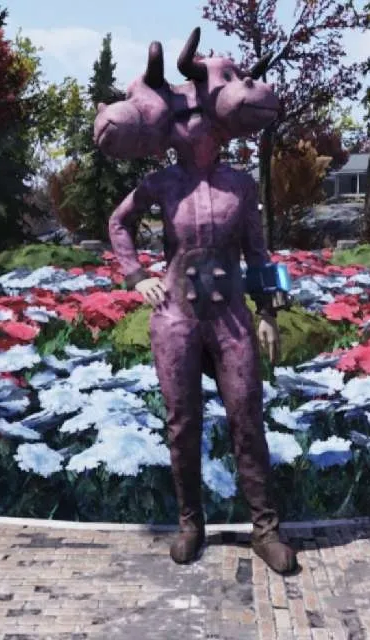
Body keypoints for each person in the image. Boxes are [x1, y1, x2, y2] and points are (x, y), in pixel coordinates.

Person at [100, 28, 297, 575]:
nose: (193, 127)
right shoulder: (161, 183)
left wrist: (268, 312)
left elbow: (258, 252)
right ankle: (191, 524)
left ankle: (266, 529)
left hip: (231, 317)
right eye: (183, 118)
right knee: (182, 423)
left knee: (247, 416)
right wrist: (135, 275)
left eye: (199, 117)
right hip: (176, 318)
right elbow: (118, 222)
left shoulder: (241, 186)